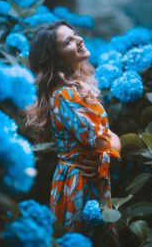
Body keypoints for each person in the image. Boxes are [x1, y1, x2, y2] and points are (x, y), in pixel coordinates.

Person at [26, 20, 121, 233]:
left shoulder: (75, 89)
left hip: (82, 175)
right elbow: (103, 141)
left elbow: (109, 139)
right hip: (80, 182)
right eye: (68, 41)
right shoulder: (67, 95)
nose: (78, 40)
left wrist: (110, 148)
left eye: (74, 34)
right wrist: (110, 148)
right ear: (56, 59)